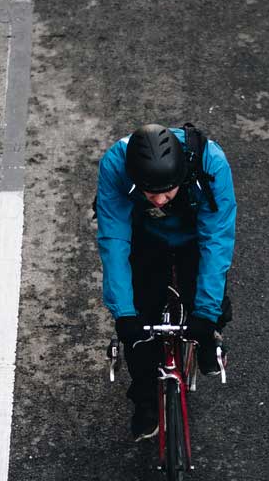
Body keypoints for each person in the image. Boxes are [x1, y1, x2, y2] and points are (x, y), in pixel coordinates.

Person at [95, 122, 237, 439]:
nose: (159, 201)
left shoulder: (212, 163)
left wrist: (206, 312)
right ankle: (145, 400)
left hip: (195, 235)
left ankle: (208, 342)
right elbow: (114, 240)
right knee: (140, 318)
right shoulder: (115, 166)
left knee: (210, 302)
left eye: (167, 193)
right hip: (144, 234)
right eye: (150, 193)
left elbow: (217, 240)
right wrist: (124, 313)